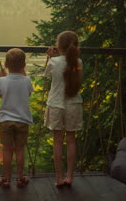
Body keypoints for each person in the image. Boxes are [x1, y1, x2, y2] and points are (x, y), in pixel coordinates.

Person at [44, 31, 83, 187]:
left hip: (56, 104)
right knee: (71, 140)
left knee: (57, 142)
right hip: (74, 104)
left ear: (58, 47)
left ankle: (59, 178)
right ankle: (70, 177)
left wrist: (50, 57)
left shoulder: (54, 62)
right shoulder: (79, 62)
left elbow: (47, 76)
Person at [0, 48, 34, 188]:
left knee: (7, 150)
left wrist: (2, 77)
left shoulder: (2, 80)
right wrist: (23, 73)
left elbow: (1, 95)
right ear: (23, 65)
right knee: (19, 149)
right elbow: (29, 94)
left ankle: (6, 178)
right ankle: (19, 177)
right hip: (22, 120)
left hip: (5, 120)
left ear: (5, 64)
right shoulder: (27, 80)